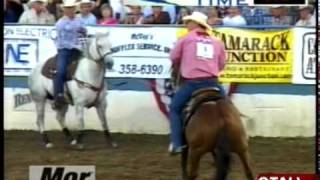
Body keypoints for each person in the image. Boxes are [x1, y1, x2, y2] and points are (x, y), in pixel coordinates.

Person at [168, 11, 227, 154]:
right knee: (228, 108)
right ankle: (237, 135)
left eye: (189, 22)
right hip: (213, 83)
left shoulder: (185, 39)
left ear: (196, 24)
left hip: (192, 83)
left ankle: (177, 143)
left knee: (175, 109)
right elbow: (222, 64)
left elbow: (173, 57)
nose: (187, 24)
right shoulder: (217, 41)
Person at [53, 0, 87, 109]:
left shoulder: (80, 20)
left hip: (77, 50)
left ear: (74, 9)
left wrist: (83, 32)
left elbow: (84, 32)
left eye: (72, 8)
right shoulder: (60, 23)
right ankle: (58, 96)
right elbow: (60, 38)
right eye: (68, 8)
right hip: (64, 50)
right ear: (64, 10)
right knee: (61, 71)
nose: (70, 10)